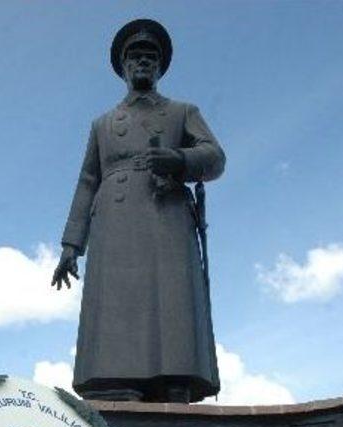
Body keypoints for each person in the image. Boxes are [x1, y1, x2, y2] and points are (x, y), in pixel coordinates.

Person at [51, 19, 225, 403]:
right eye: (135, 57)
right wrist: (70, 245)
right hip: (115, 221)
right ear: (124, 67)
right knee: (118, 301)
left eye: (150, 57)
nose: (143, 63)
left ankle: (174, 379)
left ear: (160, 67)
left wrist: (179, 159)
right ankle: (115, 382)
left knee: (171, 297)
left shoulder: (182, 111)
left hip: (166, 215)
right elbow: (86, 181)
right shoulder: (103, 124)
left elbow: (214, 157)